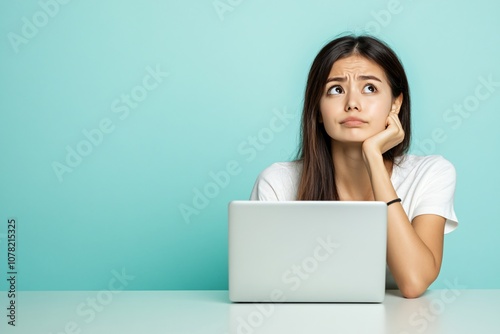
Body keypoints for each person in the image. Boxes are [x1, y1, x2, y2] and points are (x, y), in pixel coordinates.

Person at [250, 35, 458, 298]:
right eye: (335, 90)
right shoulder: (277, 182)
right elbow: (262, 287)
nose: (352, 103)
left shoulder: (431, 174)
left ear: (395, 103)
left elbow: (414, 281)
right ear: (317, 109)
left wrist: (373, 157)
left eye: (369, 88)